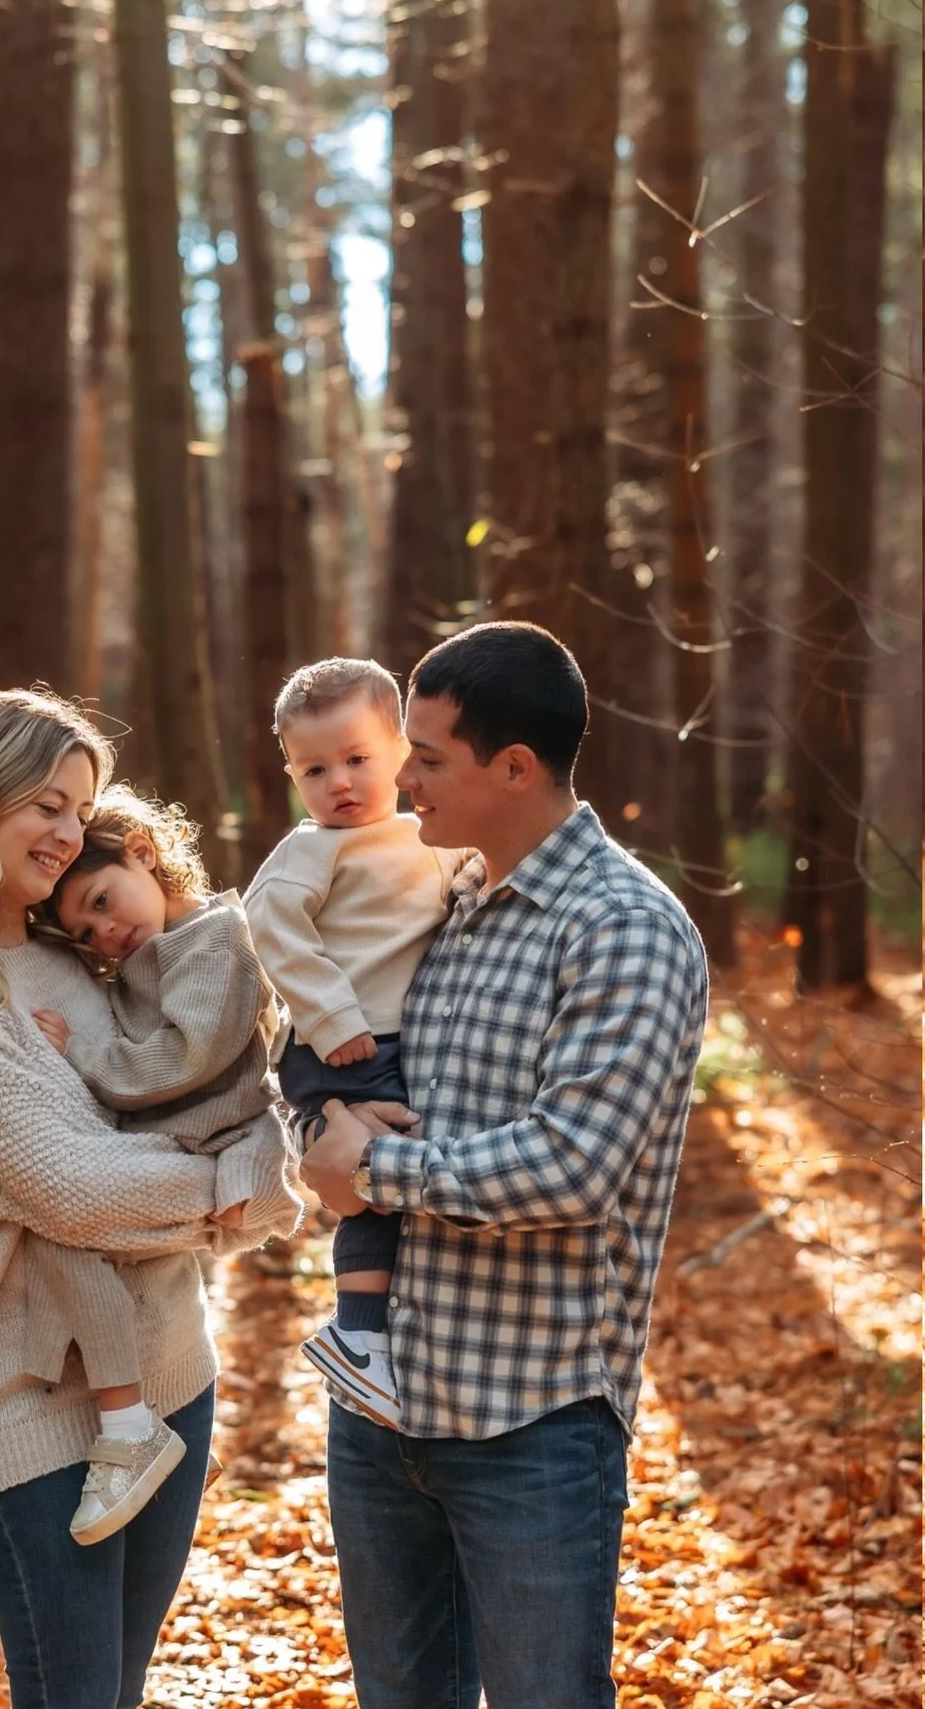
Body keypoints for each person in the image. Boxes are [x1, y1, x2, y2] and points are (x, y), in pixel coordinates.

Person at [0, 689, 299, 1709]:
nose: (66, 831)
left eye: (78, 807)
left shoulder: (82, 957)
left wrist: (255, 1163)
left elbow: (207, 1095)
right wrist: (244, 1186)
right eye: (46, 803)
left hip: (171, 1371)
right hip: (21, 1408)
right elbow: (79, 1191)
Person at [299, 622, 709, 1709]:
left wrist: (372, 1175)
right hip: (383, 1418)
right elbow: (345, 1072)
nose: (402, 776)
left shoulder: (625, 928)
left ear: (514, 767)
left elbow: (571, 1165)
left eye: (427, 754)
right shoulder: (449, 903)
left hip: (528, 1423)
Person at [22, 785, 298, 1543]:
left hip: (204, 1134)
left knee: (65, 1226)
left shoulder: (216, 940)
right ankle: (143, 1420)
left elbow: (182, 1058)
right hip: (169, 1134)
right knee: (71, 1239)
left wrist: (80, 1048)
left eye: (105, 900)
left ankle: (130, 1421)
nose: (107, 931)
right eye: (88, 928)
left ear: (146, 851)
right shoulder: (153, 951)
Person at [242, 658, 465, 1425]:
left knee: (401, 1169)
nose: (339, 781)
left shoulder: (423, 833)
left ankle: (387, 1328)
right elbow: (269, 922)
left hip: (393, 1037)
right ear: (292, 776)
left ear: (402, 748)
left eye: (358, 758)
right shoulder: (313, 849)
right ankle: (360, 1335)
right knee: (374, 1180)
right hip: (344, 1044)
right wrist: (334, 1018)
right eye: (316, 768)